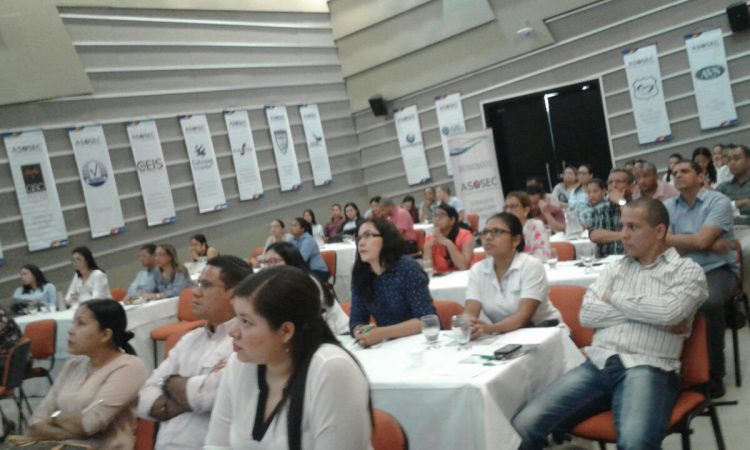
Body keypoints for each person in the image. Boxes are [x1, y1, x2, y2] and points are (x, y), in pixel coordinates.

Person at [512, 199, 708, 450]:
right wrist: (649, 312)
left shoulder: (687, 271)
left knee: (635, 443)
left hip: (649, 366)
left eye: (633, 227)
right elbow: (587, 315)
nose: (623, 234)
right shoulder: (614, 268)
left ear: (659, 231)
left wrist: (612, 298)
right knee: (523, 426)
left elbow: (668, 312)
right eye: (622, 226)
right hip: (599, 364)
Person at [204, 266, 372, 449]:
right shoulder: (239, 365)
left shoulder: (331, 369)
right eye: (236, 317)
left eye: (246, 322)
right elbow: (216, 445)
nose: (231, 331)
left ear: (285, 331)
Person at [138, 256, 253, 450]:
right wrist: (188, 398)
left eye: (206, 285)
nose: (196, 292)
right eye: (198, 284)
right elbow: (144, 399)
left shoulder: (247, 342)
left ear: (234, 294)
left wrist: (168, 383)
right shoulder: (189, 340)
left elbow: (206, 397)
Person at [27, 299, 147, 449]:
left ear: (105, 334)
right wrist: (66, 427)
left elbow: (90, 424)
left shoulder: (129, 367)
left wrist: (53, 420)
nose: (71, 330)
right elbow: (36, 421)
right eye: (73, 323)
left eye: (81, 323)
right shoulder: (72, 365)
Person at [664, 160, 739, 396]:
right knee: (655, 301)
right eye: (674, 173)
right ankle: (671, 373)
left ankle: (713, 375)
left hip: (717, 269)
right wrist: (700, 241)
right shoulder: (667, 207)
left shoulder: (718, 201)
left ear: (700, 176)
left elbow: (701, 240)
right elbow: (662, 242)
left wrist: (692, 241)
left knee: (707, 302)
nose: (678, 175)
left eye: (684, 171)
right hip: (680, 270)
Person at [465, 212, 562, 338]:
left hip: (545, 333)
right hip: (504, 336)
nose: (488, 237)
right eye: (484, 232)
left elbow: (523, 318)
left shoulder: (531, 265)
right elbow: (470, 311)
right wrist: (468, 324)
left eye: (497, 232)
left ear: (516, 240)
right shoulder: (478, 270)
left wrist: (490, 329)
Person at [349, 219, 437, 347]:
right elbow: (356, 320)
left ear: (386, 238)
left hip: (421, 342)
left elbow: (425, 320)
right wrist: (360, 331)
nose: (361, 242)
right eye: (359, 238)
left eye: (367, 235)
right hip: (388, 346)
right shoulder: (360, 274)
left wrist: (381, 333)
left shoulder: (407, 268)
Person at [264, 242, 349, 335]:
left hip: (336, 333)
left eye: (274, 261)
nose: (269, 266)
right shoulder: (277, 282)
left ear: (290, 260)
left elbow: (305, 318)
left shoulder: (307, 282)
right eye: (266, 262)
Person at [589, 169, 633, 258]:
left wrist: (621, 202)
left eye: (618, 182)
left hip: (631, 259)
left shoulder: (640, 206)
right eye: (610, 182)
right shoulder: (600, 208)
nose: (613, 185)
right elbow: (595, 236)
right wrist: (623, 235)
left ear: (630, 186)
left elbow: (634, 226)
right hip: (604, 260)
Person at [423, 204, 474, 274]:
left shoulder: (465, 236)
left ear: (452, 220)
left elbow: (464, 266)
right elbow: (428, 271)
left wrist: (448, 243)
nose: (437, 219)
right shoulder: (430, 239)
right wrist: (427, 247)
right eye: (435, 215)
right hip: (442, 278)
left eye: (441, 216)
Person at [504, 191, 551, 260]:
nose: (508, 211)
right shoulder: (504, 229)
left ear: (526, 210)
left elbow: (543, 255)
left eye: (513, 207)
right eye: (506, 207)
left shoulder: (535, 225)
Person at [290, 217, 330, 284]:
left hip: (318, 271)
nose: (291, 228)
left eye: (295, 225)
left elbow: (301, 259)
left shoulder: (308, 240)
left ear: (302, 229)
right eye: (291, 225)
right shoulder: (292, 239)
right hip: (303, 271)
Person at [716, 144, 750, 215]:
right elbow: (712, 208)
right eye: (729, 160)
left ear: (748, 161)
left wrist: (729, 207)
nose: (732, 163)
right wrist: (740, 203)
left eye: (736, 159)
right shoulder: (723, 187)